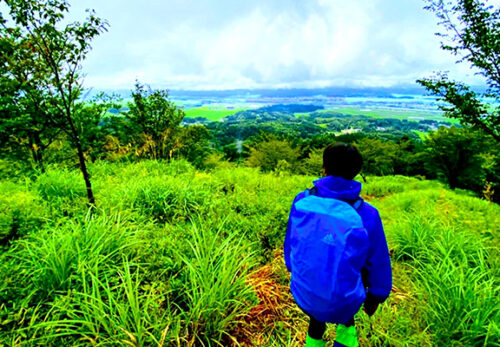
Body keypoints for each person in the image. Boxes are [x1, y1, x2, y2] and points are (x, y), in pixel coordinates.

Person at [283, 143, 392, 347]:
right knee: (344, 288)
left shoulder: (301, 200)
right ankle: (345, 332)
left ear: (324, 168)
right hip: (346, 299)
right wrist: (376, 296)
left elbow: (291, 246)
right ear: (356, 172)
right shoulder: (367, 214)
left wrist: (294, 269)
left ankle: (314, 338)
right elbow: (378, 263)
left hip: (304, 291)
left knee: (319, 305)